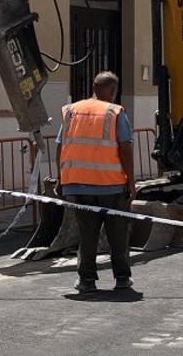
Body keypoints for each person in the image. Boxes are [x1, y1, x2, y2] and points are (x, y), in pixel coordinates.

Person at [57, 71, 135, 293]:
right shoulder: (115, 112)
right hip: (111, 185)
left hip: (79, 185)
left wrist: (62, 177)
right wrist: (131, 181)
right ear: (113, 90)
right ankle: (121, 278)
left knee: (87, 235)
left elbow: (60, 146)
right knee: (117, 234)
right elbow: (125, 147)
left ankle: (86, 281)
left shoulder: (72, 111)